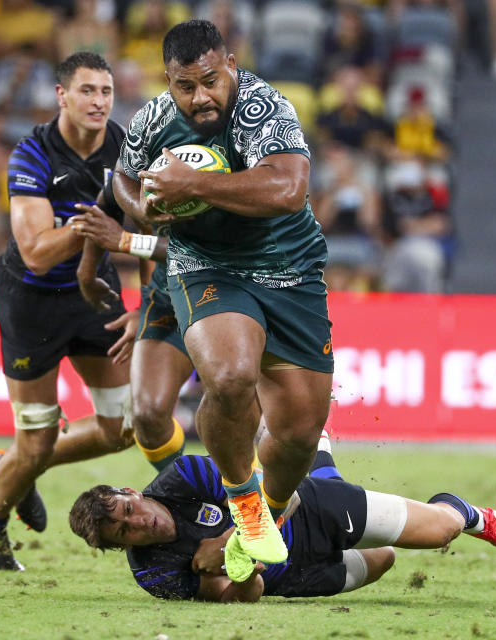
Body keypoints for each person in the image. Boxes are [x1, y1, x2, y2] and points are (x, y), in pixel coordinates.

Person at [112, 20, 333, 571]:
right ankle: (245, 503)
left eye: (210, 80)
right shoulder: (154, 120)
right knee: (230, 376)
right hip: (206, 264)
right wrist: (140, 208)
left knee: (300, 433)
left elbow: (288, 189)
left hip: (290, 268)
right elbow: (122, 176)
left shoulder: (264, 108)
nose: (199, 97)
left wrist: (195, 185)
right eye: (185, 86)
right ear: (170, 81)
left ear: (230, 63)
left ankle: (268, 516)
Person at [0, 52, 137, 571]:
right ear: (61, 95)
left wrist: (148, 299)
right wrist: (96, 227)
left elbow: (154, 226)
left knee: (121, 428)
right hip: (32, 306)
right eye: (87, 91)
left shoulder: (126, 147)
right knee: (37, 442)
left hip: (95, 294)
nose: (99, 102)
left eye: (106, 92)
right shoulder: (33, 154)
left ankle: (12, 466)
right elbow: (37, 253)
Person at [69, 438, 496, 602]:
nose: (138, 525)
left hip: (312, 511)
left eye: (129, 511)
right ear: (122, 546)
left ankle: (467, 511)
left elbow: (278, 499)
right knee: (385, 559)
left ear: (130, 493)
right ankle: (323, 457)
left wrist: (231, 545)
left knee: (439, 532)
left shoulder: (182, 477)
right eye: (125, 533)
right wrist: (241, 570)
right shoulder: (152, 572)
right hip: (299, 579)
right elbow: (244, 596)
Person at [71, 201, 192, 472]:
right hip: (170, 299)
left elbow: (211, 252)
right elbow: (135, 214)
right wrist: (143, 304)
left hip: (242, 287)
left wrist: (126, 241)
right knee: (146, 415)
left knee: (230, 392)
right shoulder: (136, 165)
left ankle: (257, 508)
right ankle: (196, 493)